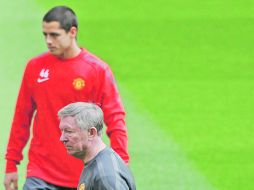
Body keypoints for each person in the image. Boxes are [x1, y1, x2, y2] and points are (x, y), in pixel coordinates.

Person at [4, 5, 129, 190]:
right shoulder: (35, 67)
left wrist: (120, 162)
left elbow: (116, 120)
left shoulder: (97, 71)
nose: (48, 41)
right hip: (40, 173)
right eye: (45, 35)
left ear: (72, 32)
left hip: (83, 174)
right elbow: (22, 116)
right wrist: (11, 162)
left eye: (54, 35)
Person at [58, 102, 136, 190]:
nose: (62, 138)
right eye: (62, 131)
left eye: (69, 131)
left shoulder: (105, 176)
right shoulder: (95, 163)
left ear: (91, 133)